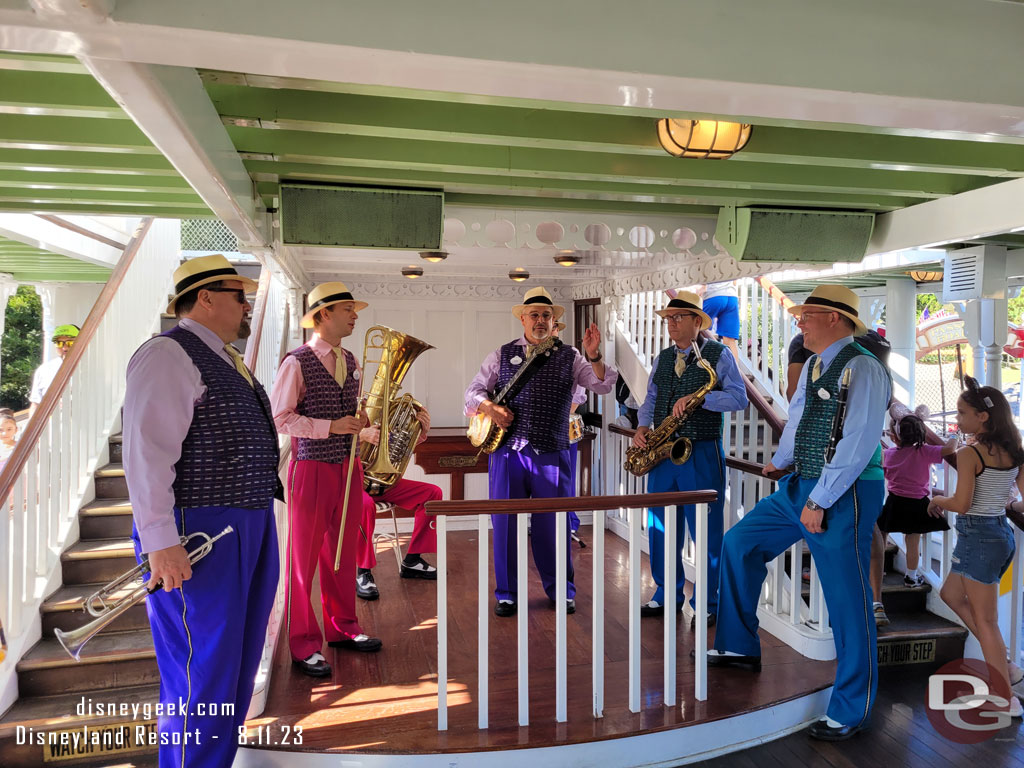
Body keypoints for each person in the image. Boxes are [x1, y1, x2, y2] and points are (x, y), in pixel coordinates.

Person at [706, 284, 891, 742]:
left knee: (847, 600)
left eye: (807, 315)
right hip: (801, 483)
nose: (799, 322)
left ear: (834, 318)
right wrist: (782, 461)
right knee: (739, 543)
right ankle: (737, 644)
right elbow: (800, 418)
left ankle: (851, 709)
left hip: (842, 492)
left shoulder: (864, 368)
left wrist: (819, 500)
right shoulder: (813, 365)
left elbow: (859, 441)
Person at [123, 254, 279, 768]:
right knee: (202, 669)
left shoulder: (223, 356)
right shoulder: (168, 354)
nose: (247, 305)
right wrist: (159, 540)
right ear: (206, 297)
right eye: (240, 296)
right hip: (199, 530)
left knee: (234, 663)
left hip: (245, 523)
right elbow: (146, 453)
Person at [465, 286, 616, 616]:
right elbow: (472, 393)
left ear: (552, 321)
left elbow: (602, 385)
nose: (540, 320)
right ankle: (507, 593)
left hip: (552, 451)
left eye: (546, 315)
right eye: (534, 314)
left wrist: (594, 354)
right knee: (505, 523)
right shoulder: (500, 354)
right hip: (507, 453)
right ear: (522, 318)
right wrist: (490, 407)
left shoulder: (571, 356)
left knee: (555, 523)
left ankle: (561, 589)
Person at [270, 281, 381, 677]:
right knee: (302, 560)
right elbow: (280, 418)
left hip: (349, 469)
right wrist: (331, 426)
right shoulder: (296, 361)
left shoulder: (351, 359)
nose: (355, 316)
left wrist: (359, 420)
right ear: (323, 316)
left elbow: (347, 411)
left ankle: (343, 629)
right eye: (347, 309)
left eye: (354, 309)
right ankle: (302, 644)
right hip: (311, 468)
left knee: (342, 554)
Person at [631, 290, 748, 624]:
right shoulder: (663, 357)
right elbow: (652, 397)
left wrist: (701, 400)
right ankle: (665, 593)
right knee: (659, 527)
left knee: (706, 530)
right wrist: (642, 427)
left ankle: (708, 603)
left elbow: (739, 398)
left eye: (678, 317)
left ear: (698, 321)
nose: (672, 323)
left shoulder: (720, 354)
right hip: (663, 452)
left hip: (701, 452)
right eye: (668, 318)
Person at [930, 377, 1024, 719]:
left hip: (978, 537)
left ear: (983, 417)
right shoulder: (1014, 450)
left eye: (962, 412)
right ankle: (1007, 665)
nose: (958, 418)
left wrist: (937, 498)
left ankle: (1004, 697)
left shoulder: (969, 453)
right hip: (1000, 534)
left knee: (986, 622)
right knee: (951, 595)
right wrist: (1008, 503)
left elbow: (962, 503)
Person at [870, 405, 956, 627]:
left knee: (881, 532)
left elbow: (885, 470)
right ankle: (911, 576)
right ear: (921, 433)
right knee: (913, 541)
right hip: (918, 503)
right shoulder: (925, 451)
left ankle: (878, 567)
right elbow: (948, 450)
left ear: (895, 436)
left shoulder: (888, 454)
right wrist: (955, 437)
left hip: (895, 501)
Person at [355, 410, 441, 600]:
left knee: (433, 493)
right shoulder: (339, 406)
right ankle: (362, 571)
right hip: (351, 481)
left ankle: (412, 560)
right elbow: (330, 443)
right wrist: (360, 436)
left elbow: (396, 447)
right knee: (365, 505)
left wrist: (419, 432)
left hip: (381, 481)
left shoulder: (381, 410)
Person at [786, 328, 890, 402]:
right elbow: (887, 389)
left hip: (823, 424)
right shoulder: (876, 339)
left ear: (833, 317)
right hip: (871, 416)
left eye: (807, 316)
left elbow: (793, 395)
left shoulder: (802, 341)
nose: (800, 324)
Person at [28, 324, 79, 417]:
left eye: (70, 343)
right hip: (51, 427)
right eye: (59, 343)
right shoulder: (43, 370)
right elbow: (35, 404)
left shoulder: (91, 369)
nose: (64, 348)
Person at [698, 281, 740, 359]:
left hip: (713, 295)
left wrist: (702, 288)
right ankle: (734, 370)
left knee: (697, 329)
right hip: (731, 297)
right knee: (730, 341)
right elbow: (734, 282)